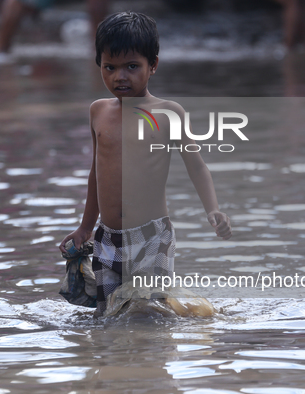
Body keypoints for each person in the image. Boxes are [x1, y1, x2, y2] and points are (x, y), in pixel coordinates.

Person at [59, 11, 232, 316]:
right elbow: (96, 175)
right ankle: (112, 363)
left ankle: (157, 355)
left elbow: (197, 166)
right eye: (109, 67)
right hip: (107, 237)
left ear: (153, 65)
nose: (119, 76)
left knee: (150, 313)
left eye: (131, 67)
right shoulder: (98, 112)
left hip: (152, 237)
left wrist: (213, 209)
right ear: (99, 64)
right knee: (108, 316)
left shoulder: (168, 113)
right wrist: (85, 227)